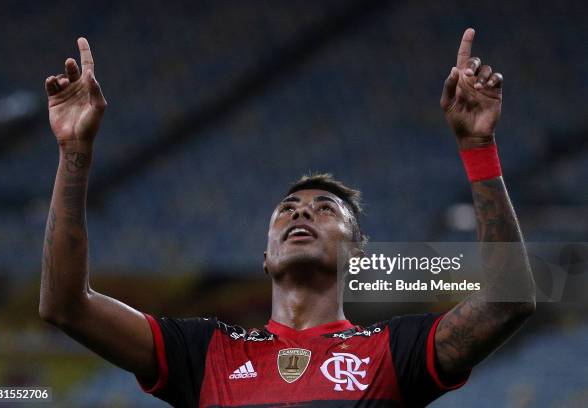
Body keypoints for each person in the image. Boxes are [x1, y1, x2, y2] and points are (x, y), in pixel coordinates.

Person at [39, 28, 536, 407]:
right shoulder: (205, 352)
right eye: (288, 210)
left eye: (325, 209)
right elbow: (66, 306)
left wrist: (478, 147)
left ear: (356, 254)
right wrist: (74, 152)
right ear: (265, 256)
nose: (302, 213)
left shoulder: (392, 350)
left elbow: (508, 300)